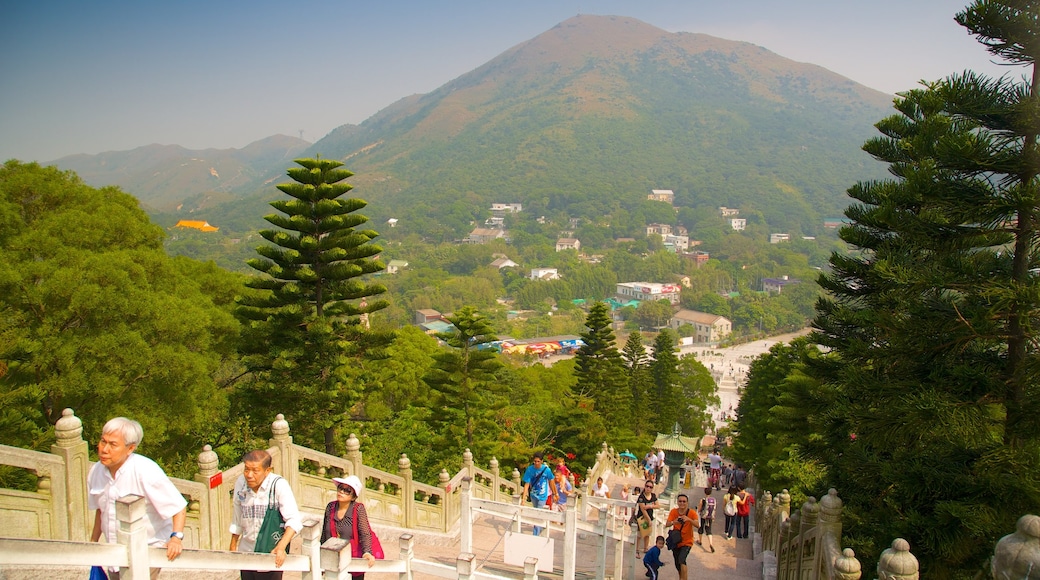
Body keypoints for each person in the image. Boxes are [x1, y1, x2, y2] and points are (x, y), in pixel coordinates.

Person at [88, 417, 187, 580]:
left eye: (113, 444)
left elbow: (178, 506)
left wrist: (176, 538)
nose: (104, 449)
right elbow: (101, 511)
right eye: (103, 441)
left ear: (130, 448)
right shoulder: (96, 471)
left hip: (146, 551)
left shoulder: (145, 470)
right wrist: (93, 542)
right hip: (114, 552)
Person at [230, 450, 303, 580]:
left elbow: (294, 521)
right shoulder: (241, 483)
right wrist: (233, 543)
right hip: (246, 551)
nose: (249, 475)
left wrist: (281, 547)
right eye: (246, 470)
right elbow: (237, 515)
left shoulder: (278, 485)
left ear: (267, 470)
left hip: (270, 552)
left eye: (255, 471)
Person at [321, 475, 376, 579]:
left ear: (354, 497)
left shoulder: (358, 509)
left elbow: (365, 533)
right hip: (332, 560)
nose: (342, 491)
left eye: (347, 490)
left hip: (352, 561)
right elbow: (324, 534)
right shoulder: (330, 507)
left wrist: (367, 552)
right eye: (341, 488)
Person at [521, 452, 558, 536]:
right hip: (533, 495)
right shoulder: (530, 469)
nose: (536, 463)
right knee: (536, 513)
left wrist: (555, 494)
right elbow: (526, 484)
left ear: (541, 461)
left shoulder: (546, 470)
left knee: (539, 514)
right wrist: (523, 499)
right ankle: (540, 528)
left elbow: (551, 481)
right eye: (535, 461)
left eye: (538, 461)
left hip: (542, 496)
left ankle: (535, 534)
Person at [665, 494, 699, 580]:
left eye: (684, 501)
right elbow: (667, 524)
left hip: (687, 541)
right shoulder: (673, 512)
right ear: (677, 502)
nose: (682, 503)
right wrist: (674, 522)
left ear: (687, 503)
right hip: (676, 541)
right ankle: (681, 577)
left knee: (682, 559)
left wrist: (689, 519)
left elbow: (698, 525)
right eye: (680, 501)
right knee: (677, 564)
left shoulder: (692, 513)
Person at [633, 480, 660, 554]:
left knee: (647, 534)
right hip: (641, 518)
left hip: (650, 516)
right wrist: (648, 520)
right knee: (639, 534)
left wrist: (650, 506)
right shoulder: (641, 497)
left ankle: (645, 548)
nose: (648, 488)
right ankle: (636, 549)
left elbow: (658, 505)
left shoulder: (653, 496)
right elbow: (642, 509)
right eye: (647, 486)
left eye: (650, 487)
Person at [697, 487, 717, 553]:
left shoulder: (703, 500)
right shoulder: (713, 500)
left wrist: (698, 510)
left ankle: (700, 541)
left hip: (703, 516)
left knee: (701, 528)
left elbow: (699, 509)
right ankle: (711, 544)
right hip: (710, 517)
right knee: (709, 530)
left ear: (705, 492)